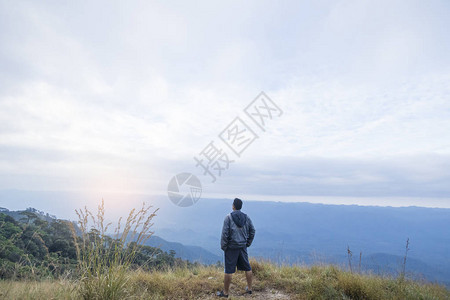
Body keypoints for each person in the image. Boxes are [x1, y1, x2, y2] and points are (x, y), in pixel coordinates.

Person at [216, 198, 256, 298]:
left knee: (229, 270)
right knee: (247, 267)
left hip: (231, 247)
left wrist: (224, 246)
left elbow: (225, 234)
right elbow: (253, 231)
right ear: (240, 206)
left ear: (233, 206)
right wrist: (248, 243)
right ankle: (250, 289)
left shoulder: (228, 218)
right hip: (242, 246)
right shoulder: (246, 218)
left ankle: (225, 293)